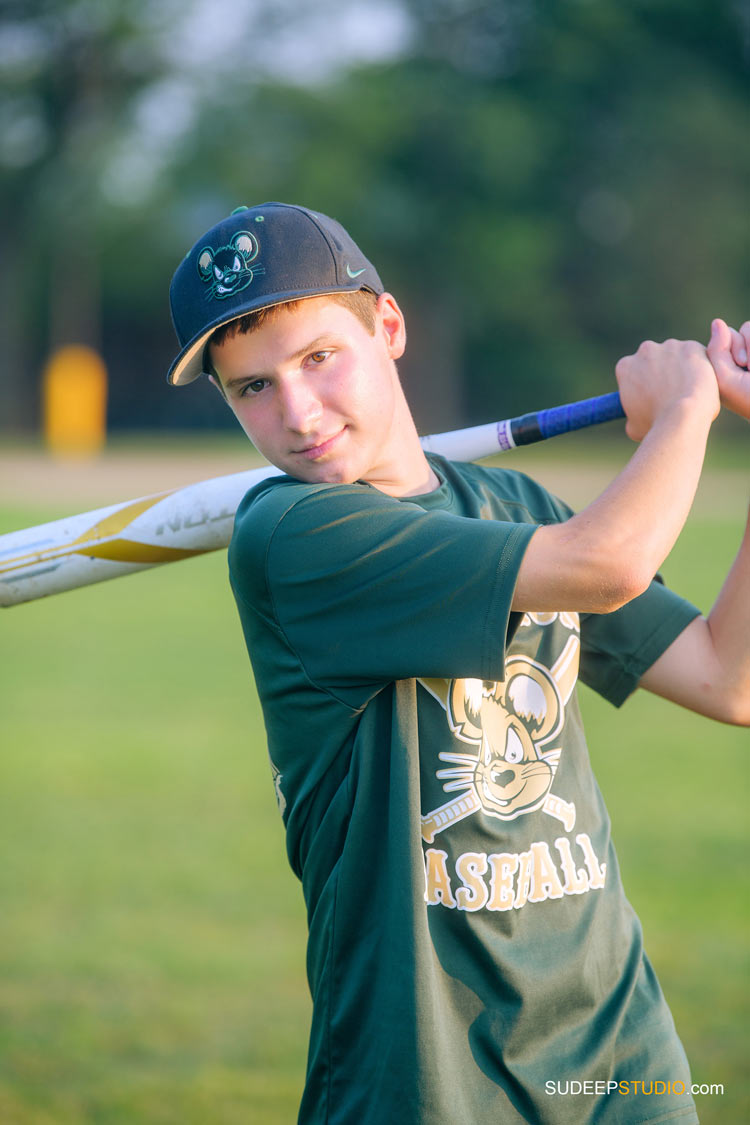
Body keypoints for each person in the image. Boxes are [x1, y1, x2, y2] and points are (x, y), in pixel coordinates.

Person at [167, 202, 749, 1124]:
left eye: (319, 357)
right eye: (253, 388)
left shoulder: (515, 501)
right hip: (426, 1081)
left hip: (621, 1062)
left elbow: (730, 676)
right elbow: (606, 565)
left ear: (387, 326)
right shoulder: (294, 533)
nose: (298, 413)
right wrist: (687, 406)